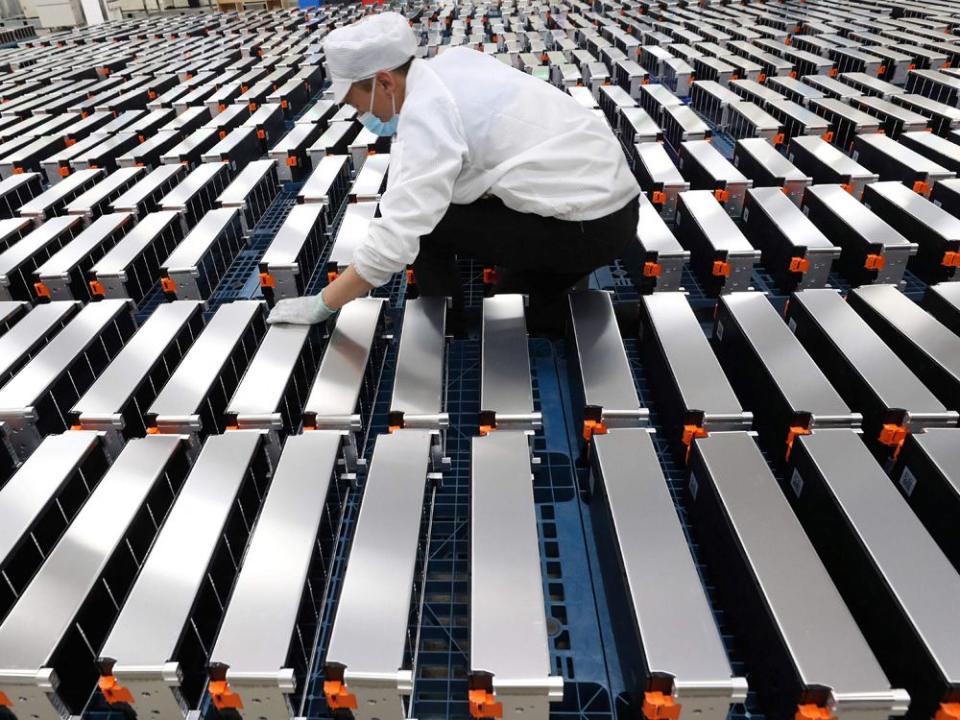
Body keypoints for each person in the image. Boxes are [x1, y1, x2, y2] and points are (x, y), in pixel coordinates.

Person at [266, 12, 640, 331]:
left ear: (383, 81)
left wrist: (323, 304)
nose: (360, 114)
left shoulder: (428, 114)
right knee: (514, 302)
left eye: (356, 102)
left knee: (441, 234)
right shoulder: (452, 63)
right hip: (608, 201)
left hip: (589, 225)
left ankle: (447, 327)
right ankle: (626, 317)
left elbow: (396, 239)